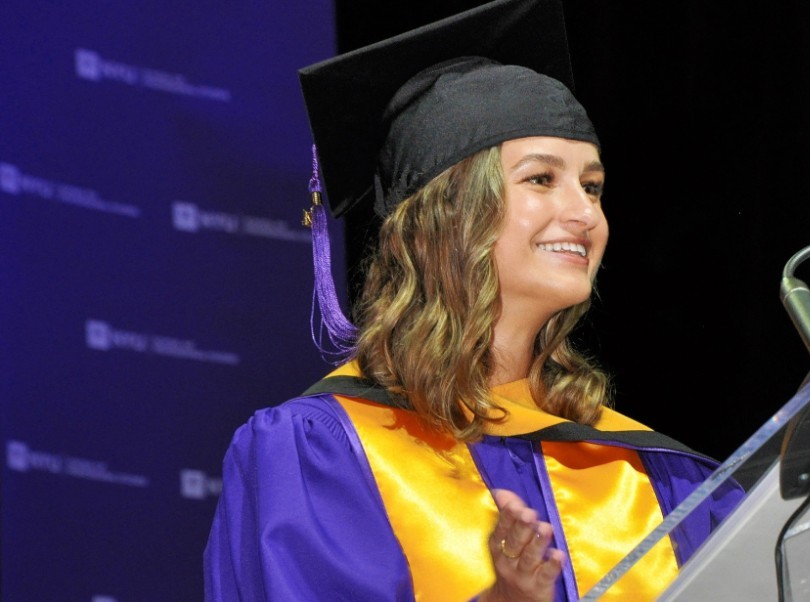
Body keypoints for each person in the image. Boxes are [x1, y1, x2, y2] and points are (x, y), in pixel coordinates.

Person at [202, 1, 744, 600]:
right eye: (542, 179)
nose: (585, 213)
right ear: (449, 216)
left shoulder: (659, 475)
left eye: (592, 186)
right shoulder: (321, 452)